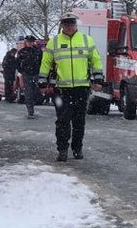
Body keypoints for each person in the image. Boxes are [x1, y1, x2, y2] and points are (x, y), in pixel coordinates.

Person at [38, 13, 104, 162]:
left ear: (75, 25)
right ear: (62, 25)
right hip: (62, 89)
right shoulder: (54, 42)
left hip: (81, 88)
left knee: (79, 121)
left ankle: (77, 148)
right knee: (62, 121)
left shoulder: (87, 40)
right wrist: (42, 82)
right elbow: (46, 63)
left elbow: (96, 61)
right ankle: (62, 149)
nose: (69, 27)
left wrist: (98, 78)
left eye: (71, 24)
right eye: (66, 24)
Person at [17, 35, 43, 119]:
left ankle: (33, 105)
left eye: (31, 42)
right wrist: (22, 71)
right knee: (28, 93)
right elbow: (17, 63)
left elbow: (41, 62)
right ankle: (30, 111)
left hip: (36, 73)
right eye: (28, 42)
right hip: (27, 74)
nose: (30, 43)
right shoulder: (22, 52)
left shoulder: (38, 51)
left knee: (36, 91)